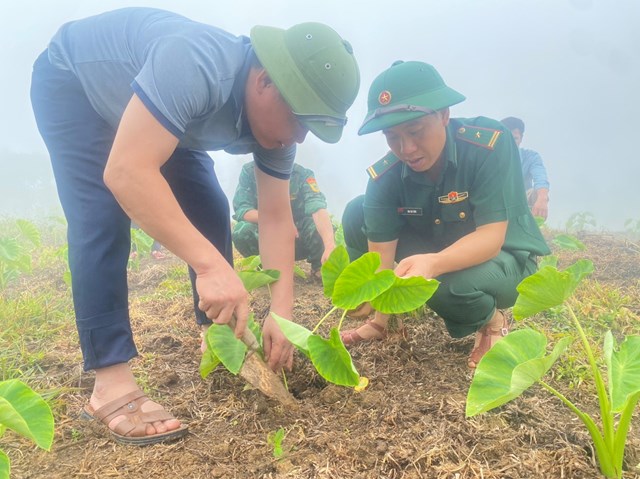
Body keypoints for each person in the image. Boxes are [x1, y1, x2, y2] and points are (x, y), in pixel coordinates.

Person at [30, 7, 360, 445]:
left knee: (208, 205)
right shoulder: (196, 65)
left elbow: (277, 216)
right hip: (76, 85)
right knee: (101, 216)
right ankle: (110, 382)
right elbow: (127, 171)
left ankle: (218, 335)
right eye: (300, 120)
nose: (299, 138)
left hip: (161, 110)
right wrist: (209, 266)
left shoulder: (276, 128)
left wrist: (282, 313)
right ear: (264, 82)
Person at [340, 61, 550, 369]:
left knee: (447, 284)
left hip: (504, 257)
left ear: (444, 115)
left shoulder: (488, 144)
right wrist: (368, 298)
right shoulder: (385, 177)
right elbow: (380, 265)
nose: (406, 148)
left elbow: (491, 238)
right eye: (392, 137)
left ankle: (493, 321)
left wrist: (433, 263)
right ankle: (386, 324)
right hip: (440, 251)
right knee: (357, 211)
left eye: (415, 131)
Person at [232, 162, 335, 279]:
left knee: (321, 228)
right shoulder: (250, 171)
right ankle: (266, 268)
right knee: (242, 231)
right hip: (268, 234)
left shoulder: (303, 174)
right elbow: (243, 209)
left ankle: (319, 268)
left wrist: (330, 246)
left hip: (298, 236)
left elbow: (317, 207)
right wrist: (280, 221)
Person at [500, 117, 550, 220]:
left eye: (515, 138)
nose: (511, 143)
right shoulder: (489, 157)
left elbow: (540, 178)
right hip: (497, 200)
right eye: (506, 138)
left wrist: (542, 198)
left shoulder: (531, 157)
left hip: (522, 201)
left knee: (539, 193)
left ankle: (531, 229)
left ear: (521, 138)